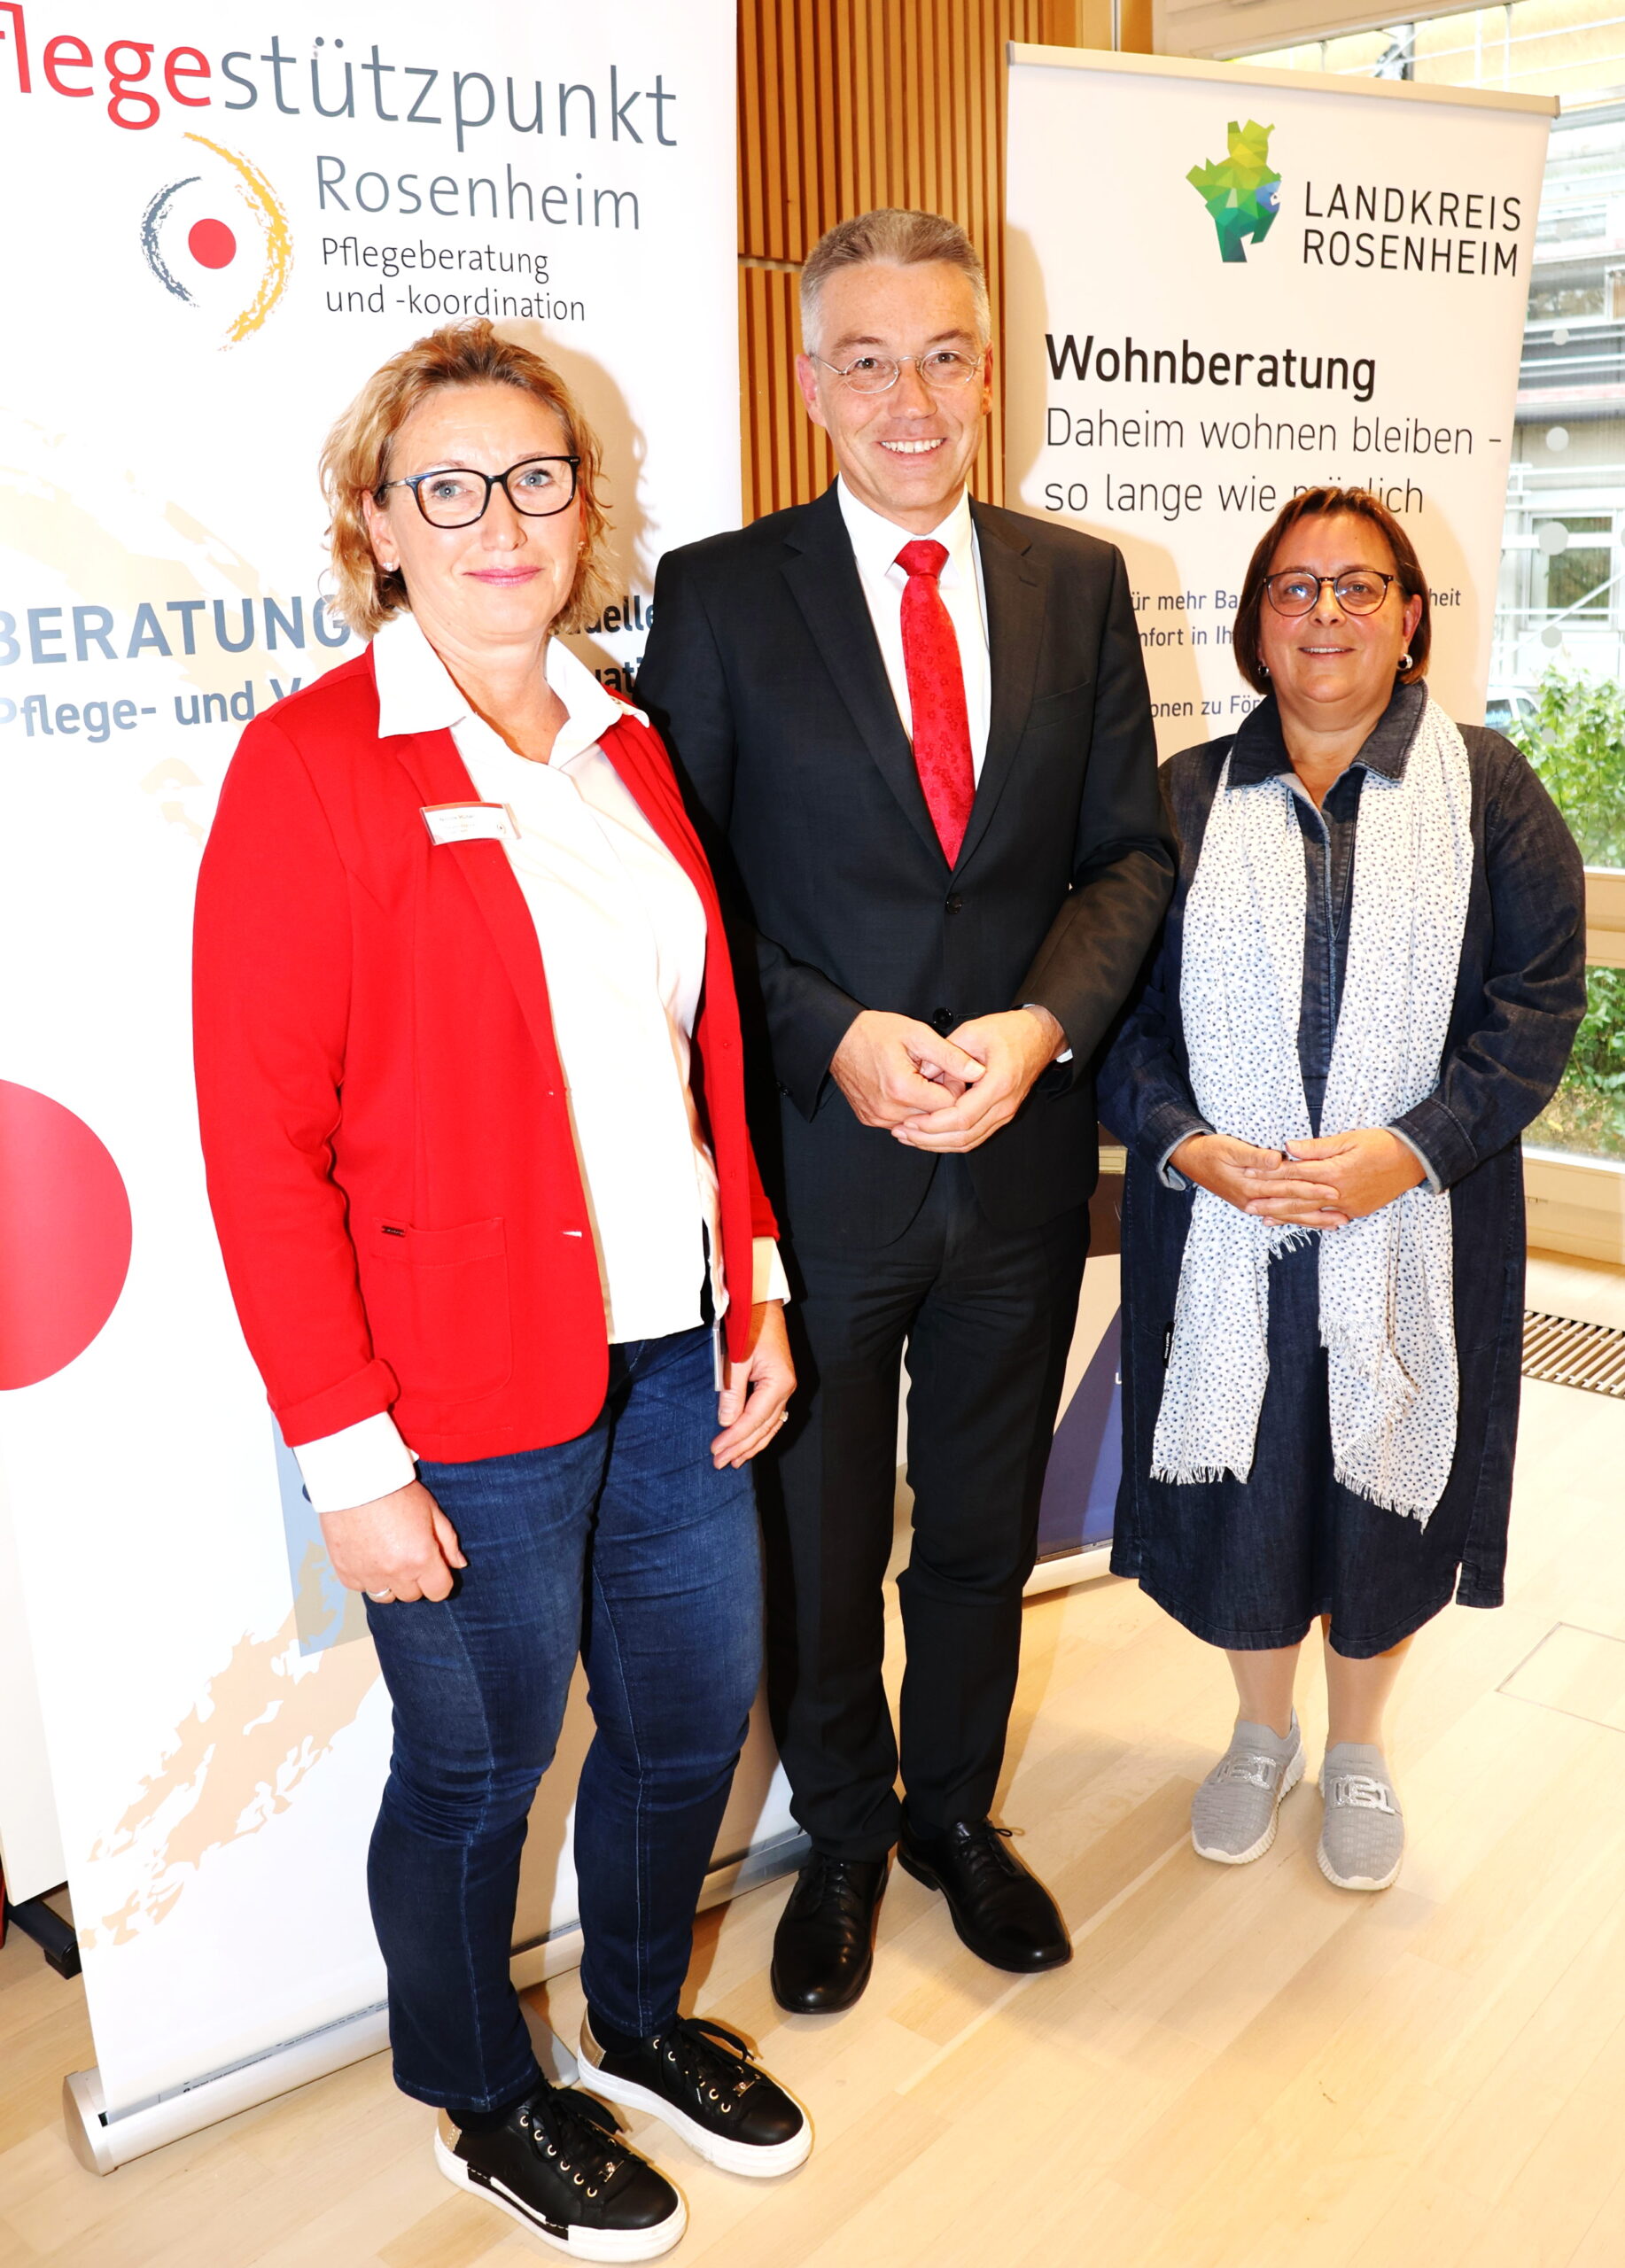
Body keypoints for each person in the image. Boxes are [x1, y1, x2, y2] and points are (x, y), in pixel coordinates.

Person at [192, 322, 811, 2264]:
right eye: (444, 486)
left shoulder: (622, 742)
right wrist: (345, 1456)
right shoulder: (312, 767)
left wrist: (755, 1283)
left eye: (535, 478)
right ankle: (480, 2095)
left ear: (582, 506)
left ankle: (631, 2020)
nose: (498, 521)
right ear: (375, 523)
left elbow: (696, 1056)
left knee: (688, 1718)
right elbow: (260, 1147)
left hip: (675, 1351)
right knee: (474, 1773)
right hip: (454, 1392)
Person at [637, 210, 1171, 2012]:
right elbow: (680, 884)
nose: (909, 397)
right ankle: (845, 1833)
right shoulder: (720, 595)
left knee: (977, 1526)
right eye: (865, 361)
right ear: (809, 385)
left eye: (943, 354)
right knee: (817, 1539)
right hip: (817, 1175)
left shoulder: (1075, 581)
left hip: (1016, 1162)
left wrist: (1041, 1026)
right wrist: (830, 1033)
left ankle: (951, 1814)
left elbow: (1123, 858)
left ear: (987, 369)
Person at [1098, 486, 1585, 1893]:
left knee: (1383, 1488)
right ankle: (1259, 1734)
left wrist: (1411, 1147)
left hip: (1417, 1218)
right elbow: (1120, 1024)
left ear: (1409, 617)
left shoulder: (1484, 786)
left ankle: (1358, 1748)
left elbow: (1536, 1005)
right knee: (1249, 1486)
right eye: (1294, 589)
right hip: (1225, 1223)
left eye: (1357, 586)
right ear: (1255, 625)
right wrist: (1188, 1145)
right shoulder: (1184, 795)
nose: (1326, 613)